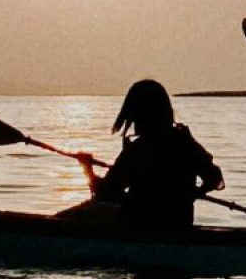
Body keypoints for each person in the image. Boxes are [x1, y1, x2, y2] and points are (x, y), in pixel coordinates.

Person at [64, 79, 223, 233]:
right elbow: (214, 178)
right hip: (179, 222)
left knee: (87, 210)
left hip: (139, 222)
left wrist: (87, 168)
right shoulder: (185, 141)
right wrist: (190, 194)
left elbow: (106, 192)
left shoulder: (138, 149)